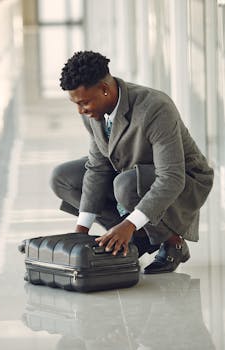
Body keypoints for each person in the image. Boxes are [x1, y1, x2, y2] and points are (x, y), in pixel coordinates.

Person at [50, 51, 214, 274]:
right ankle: (138, 237)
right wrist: (81, 232)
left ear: (105, 90)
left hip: (185, 179)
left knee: (125, 185)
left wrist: (128, 223)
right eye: (76, 104)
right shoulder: (92, 111)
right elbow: (98, 167)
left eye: (84, 103)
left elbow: (172, 178)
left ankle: (172, 241)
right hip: (130, 171)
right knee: (62, 178)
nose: (80, 111)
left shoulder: (155, 108)